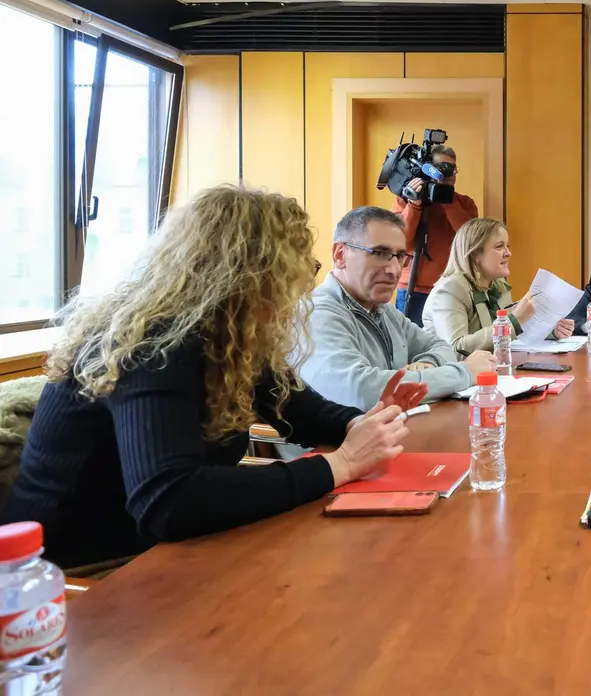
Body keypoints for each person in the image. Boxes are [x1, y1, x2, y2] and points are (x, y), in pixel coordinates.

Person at [1, 187, 423, 569]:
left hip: (160, 546)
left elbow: (297, 408)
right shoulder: (153, 344)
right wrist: (341, 464)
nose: (299, 285)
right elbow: (169, 500)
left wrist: (357, 425)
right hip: (86, 571)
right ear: (248, 274)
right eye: (295, 268)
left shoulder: (227, 336)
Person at [299, 206, 495, 410]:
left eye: (400, 256)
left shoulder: (384, 310)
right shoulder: (316, 313)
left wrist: (427, 364)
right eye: (379, 253)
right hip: (337, 442)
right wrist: (464, 373)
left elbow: (439, 347)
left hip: (391, 432)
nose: (394, 270)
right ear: (340, 255)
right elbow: (361, 392)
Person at [426, 218, 574, 355]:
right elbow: (456, 348)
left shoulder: (498, 285)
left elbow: (510, 332)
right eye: (499, 247)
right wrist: (514, 320)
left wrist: (550, 330)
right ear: (475, 254)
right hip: (455, 379)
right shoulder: (449, 290)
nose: (508, 253)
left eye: (507, 246)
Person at [393, 145, 479, 325]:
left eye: (451, 169)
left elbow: (470, 240)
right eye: (441, 168)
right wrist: (414, 205)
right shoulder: (405, 200)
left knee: (450, 347)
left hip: (453, 289)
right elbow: (402, 243)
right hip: (413, 291)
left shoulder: (464, 203)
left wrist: (446, 199)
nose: (447, 174)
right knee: (410, 348)